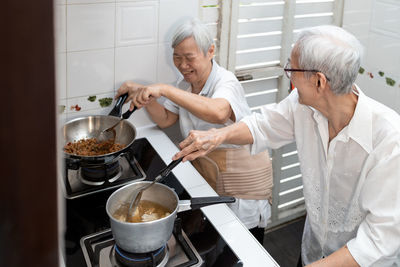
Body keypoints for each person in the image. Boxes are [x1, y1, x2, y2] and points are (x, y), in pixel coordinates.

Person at [172, 25, 400, 266]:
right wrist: (216, 137)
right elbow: (262, 125)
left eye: (291, 69)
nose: (287, 75)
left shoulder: (389, 140)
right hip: (313, 249)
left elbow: (380, 239)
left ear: (319, 82)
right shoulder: (302, 106)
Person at [115, 19, 273, 243]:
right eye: (177, 57)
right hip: (210, 177)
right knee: (219, 240)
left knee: (244, 244)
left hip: (240, 184)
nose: (182, 64)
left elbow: (218, 112)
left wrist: (165, 89)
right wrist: (146, 95)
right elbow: (167, 119)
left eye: (189, 58)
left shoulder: (226, 81)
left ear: (210, 51)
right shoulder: (185, 84)